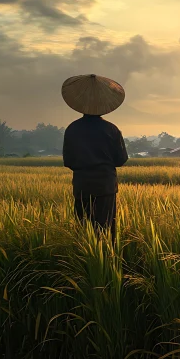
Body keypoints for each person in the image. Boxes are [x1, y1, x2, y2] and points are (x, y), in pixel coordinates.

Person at [61, 74, 128, 241]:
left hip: (82, 186)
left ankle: (85, 263)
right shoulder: (111, 129)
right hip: (105, 187)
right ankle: (106, 262)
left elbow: (68, 161)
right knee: (106, 230)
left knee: (84, 230)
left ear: (81, 104)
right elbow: (121, 160)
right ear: (103, 105)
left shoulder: (72, 129)